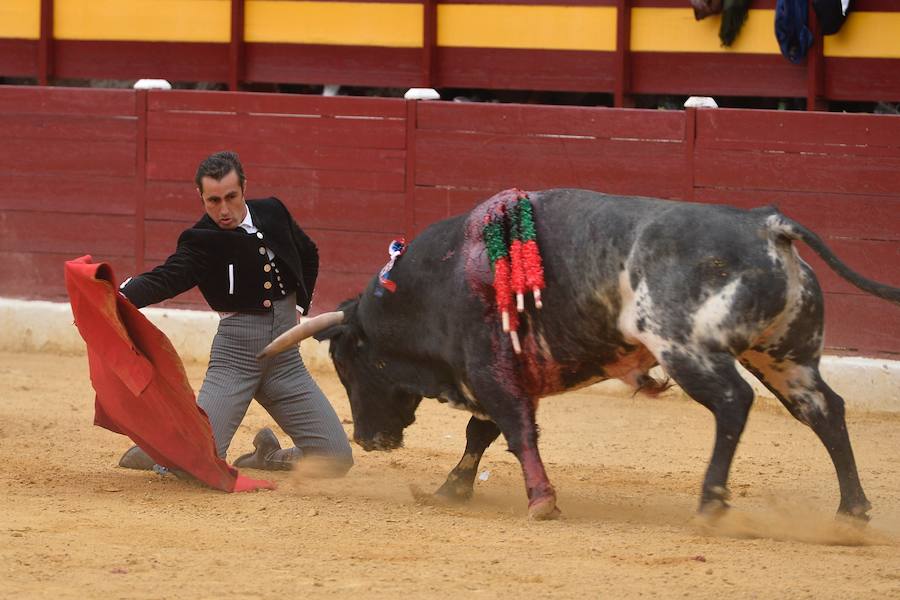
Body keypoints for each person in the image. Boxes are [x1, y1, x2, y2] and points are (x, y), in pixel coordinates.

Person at [117, 151, 353, 476]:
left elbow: (307, 252)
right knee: (195, 467)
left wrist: (299, 307)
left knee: (336, 460)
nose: (223, 210)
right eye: (213, 200)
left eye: (231, 197)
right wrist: (118, 296)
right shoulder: (201, 241)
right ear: (200, 196)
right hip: (236, 360)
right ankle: (163, 450)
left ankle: (269, 457)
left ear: (244, 187)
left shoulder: (272, 211)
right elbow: (167, 277)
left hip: (286, 363)